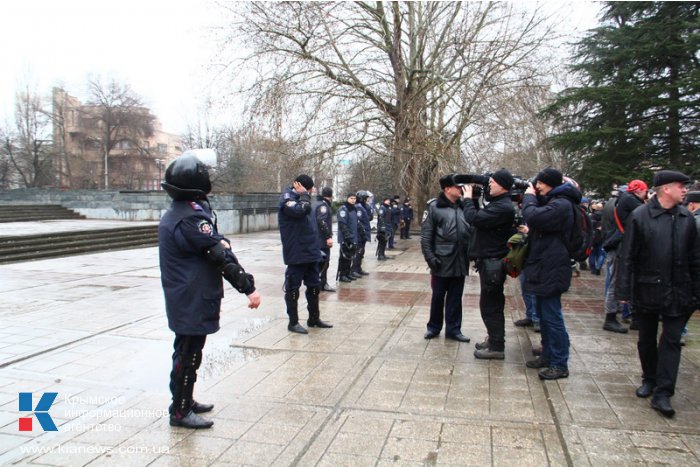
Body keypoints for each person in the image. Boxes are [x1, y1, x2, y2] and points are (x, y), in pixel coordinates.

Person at [159, 154, 261, 429]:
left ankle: (184, 400)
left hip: (188, 296)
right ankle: (179, 411)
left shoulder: (183, 212)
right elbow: (219, 254)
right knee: (188, 354)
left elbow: (217, 242)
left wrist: (220, 243)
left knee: (188, 352)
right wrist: (248, 288)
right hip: (191, 297)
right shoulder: (190, 219)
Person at [616, 170, 699, 418]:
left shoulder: (686, 217)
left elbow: (695, 258)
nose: (685, 190)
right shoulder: (640, 216)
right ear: (665, 188)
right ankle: (649, 378)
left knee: (672, 340)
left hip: (679, 291)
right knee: (646, 338)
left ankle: (664, 392)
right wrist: (624, 290)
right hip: (647, 287)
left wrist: (696, 290)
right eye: (680, 186)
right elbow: (627, 255)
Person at [521, 167, 580, 380]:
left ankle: (559, 363)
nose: (537, 187)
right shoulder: (557, 201)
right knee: (545, 317)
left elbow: (534, 217)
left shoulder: (562, 204)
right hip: (545, 265)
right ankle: (548, 354)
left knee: (553, 317)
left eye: (540, 183)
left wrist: (528, 199)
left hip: (553, 267)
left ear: (551, 184)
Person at [462, 169, 516, 359]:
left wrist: (468, 199)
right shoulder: (498, 204)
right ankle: (494, 339)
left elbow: (474, 219)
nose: (489, 185)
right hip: (489, 259)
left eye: (492, 182)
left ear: (502, 185)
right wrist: (475, 199)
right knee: (490, 303)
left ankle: (497, 347)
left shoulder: (503, 207)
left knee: (491, 305)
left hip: (493, 261)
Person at [420, 174, 472, 343]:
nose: (461, 189)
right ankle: (433, 327)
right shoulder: (434, 207)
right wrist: (430, 258)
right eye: (458, 187)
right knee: (438, 297)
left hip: (460, 260)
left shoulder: (465, 207)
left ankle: (454, 329)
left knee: (456, 298)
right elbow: (426, 237)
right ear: (447, 189)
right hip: (441, 260)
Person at [279, 174, 333, 334]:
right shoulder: (287, 199)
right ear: (299, 186)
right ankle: (293, 322)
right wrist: (303, 195)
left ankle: (314, 318)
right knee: (293, 288)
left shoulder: (304, 198)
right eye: (309, 189)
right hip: (296, 251)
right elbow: (301, 211)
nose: (310, 192)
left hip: (310, 250)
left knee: (314, 286)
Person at [603, 179, 648, 334]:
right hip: (620, 246)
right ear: (639, 191)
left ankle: (627, 317)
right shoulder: (630, 200)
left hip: (618, 243)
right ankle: (610, 318)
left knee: (620, 281)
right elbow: (647, 215)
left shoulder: (618, 201)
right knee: (616, 282)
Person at [337, 193, 365, 282]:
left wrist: (361, 232)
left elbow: (356, 222)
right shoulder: (343, 209)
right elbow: (342, 224)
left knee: (350, 256)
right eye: (351, 198)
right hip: (346, 238)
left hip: (353, 237)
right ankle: (342, 275)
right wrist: (347, 236)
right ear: (347, 198)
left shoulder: (354, 208)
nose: (353, 200)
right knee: (344, 257)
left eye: (354, 198)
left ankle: (348, 273)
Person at [312, 187, 335, 292]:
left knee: (318, 262)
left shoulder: (315, 203)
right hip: (322, 240)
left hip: (315, 239)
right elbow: (322, 221)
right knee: (324, 262)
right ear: (330, 196)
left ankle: (317, 283)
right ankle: (322, 283)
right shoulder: (323, 206)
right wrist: (328, 237)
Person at [353, 190, 372, 276]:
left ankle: (358, 268)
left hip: (364, 232)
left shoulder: (364, 206)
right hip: (360, 233)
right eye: (365, 198)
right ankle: (354, 269)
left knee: (361, 251)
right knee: (359, 251)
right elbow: (359, 221)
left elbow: (369, 217)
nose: (367, 200)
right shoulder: (358, 207)